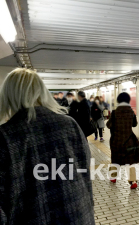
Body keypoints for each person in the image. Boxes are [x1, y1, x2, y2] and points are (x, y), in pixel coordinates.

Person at [0, 68, 94, 225]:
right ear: (42, 92)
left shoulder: (5, 137)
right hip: (78, 215)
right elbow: (85, 167)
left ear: (8, 95)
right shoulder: (70, 125)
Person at [107, 92, 139, 189]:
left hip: (116, 141)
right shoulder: (131, 112)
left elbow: (109, 125)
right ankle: (133, 181)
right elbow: (134, 124)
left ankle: (113, 178)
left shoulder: (114, 112)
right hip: (129, 140)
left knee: (115, 160)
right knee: (130, 162)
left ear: (118, 101)